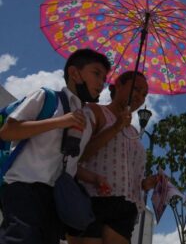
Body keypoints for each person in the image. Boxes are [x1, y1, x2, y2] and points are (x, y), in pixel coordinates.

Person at [0, 48, 111, 244]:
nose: (102, 83)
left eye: (104, 77)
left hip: (55, 199)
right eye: (96, 73)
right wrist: (60, 122)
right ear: (75, 73)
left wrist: (94, 178)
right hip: (24, 187)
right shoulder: (47, 97)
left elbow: (68, 164)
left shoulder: (86, 120)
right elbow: (8, 131)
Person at [67, 71, 157, 244]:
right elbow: (76, 153)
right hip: (91, 199)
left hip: (124, 208)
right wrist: (115, 127)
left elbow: (128, 173)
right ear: (117, 87)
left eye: (144, 94)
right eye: (136, 89)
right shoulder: (95, 111)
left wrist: (145, 184)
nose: (140, 96)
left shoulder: (133, 133)